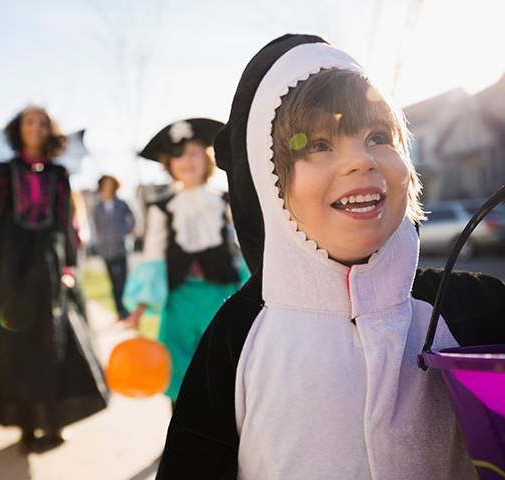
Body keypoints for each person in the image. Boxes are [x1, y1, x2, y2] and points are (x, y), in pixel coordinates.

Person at [156, 34, 505, 479]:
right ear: (270, 185)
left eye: (379, 136)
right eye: (317, 145)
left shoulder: (472, 306)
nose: (360, 161)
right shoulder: (239, 338)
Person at [0, 105, 108, 453]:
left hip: (47, 262)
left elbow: (64, 223)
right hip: (10, 264)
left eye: (42, 123)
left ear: (51, 130)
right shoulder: (4, 171)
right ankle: (26, 427)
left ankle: (54, 421)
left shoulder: (59, 174)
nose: (35, 128)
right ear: (18, 129)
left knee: (53, 340)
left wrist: (67, 267)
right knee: (15, 344)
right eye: (29, 122)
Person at [123, 118, 248, 407]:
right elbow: (153, 257)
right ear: (169, 164)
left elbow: (244, 248)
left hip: (221, 297)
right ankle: (184, 436)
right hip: (179, 300)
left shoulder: (224, 200)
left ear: (206, 159)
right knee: (180, 369)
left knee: (223, 365)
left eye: (193, 152)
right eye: (178, 155)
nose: (186, 160)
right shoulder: (162, 207)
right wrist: (141, 305)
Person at [92, 175, 135, 320]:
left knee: (123, 280)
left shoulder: (122, 204)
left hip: (121, 247)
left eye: (111, 185)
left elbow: (133, 219)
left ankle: (126, 310)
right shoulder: (97, 207)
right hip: (106, 249)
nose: (108, 188)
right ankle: (118, 311)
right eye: (105, 185)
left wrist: (126, 232)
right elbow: (96, 227)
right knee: (113, 281)